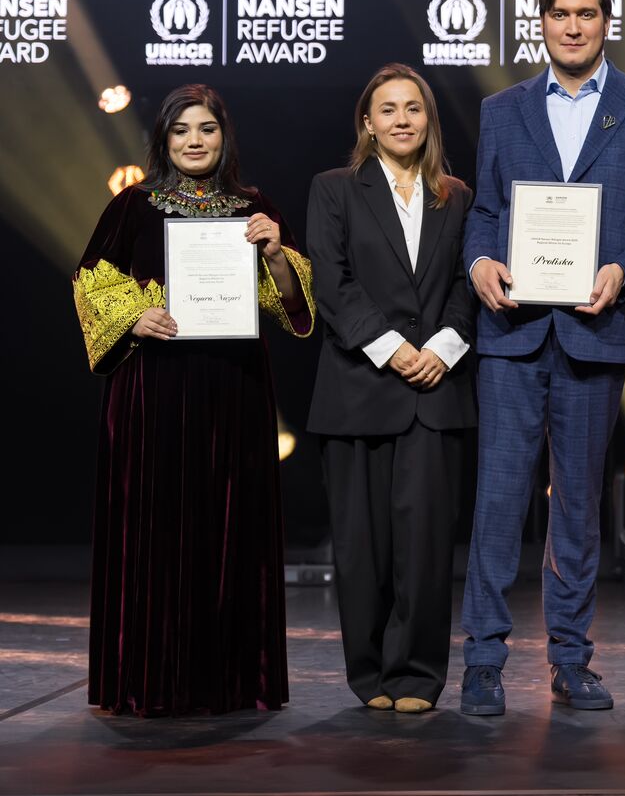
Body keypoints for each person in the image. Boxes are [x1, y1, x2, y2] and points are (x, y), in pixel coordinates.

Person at [458, 0, 625, 716]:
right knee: (498, 499)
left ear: (606, 22)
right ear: (543, 24)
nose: (574, 26)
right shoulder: (502, 109)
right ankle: (483, 661)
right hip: (513, 331)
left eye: (586, 14)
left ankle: (571, 659)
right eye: (560, 14)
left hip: (594, 327)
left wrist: (624, 270)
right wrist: (478, 262)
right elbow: (485, 212)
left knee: (579, 504)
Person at [72, 83, 314, 716]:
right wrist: (133, 316)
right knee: (153, 530)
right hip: (152, 389)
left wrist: (276, 253)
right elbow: (92, 280)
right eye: (181, 130)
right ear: (163, 139)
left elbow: (292, 303)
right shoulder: (133, 205)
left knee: (232, 530)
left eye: (206, 128)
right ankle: (148, 680)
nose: (194, 140)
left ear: (224, 136)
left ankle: (230, 681)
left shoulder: (254, 207)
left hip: (234, 389)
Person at [306, 64, 476, 715]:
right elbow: (332, 283)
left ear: (428, 120)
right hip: (357, 391)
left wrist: (441, 349)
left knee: (426, 549)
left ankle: (417, 675)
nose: (402, 119)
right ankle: (371, 673)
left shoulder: (456, 196)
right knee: (362, 550)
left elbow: (466, 285)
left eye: (413, 108)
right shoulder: (334, 189)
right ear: (367, 122)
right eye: (388, 109)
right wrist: (391, 348)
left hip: (435, 392)